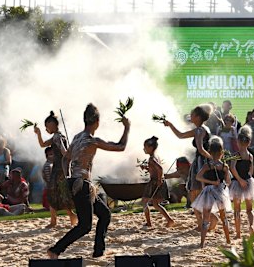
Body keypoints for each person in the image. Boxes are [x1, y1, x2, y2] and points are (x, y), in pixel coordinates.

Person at [47, 103, 130, 260]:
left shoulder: (77, 138)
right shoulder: (92, 141)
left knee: (104, 214)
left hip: (79, 183)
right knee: (84, 226)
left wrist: (68, 178)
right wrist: (127, 127)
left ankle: (99, 252)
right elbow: (120, 147)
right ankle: (55, 250)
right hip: (82, 184)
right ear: (97, 122)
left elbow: (66, 158)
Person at [163, 104, 213, 230]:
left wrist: (211, 158)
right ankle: (204, 222)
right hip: (203, 161)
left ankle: (203, 223)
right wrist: (170, 125)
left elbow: (201, 149)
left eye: (192, 114)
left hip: (201, 162)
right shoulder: (203, 129)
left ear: (197, 116)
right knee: (200, 192)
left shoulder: (199, 130)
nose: (190, 116)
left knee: (195, 192)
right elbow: (180, 135)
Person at [34, 111, 77, 228]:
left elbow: (64, 152)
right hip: (59, 169)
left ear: (52, 124)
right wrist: (38, 133)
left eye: (47, 126)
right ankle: (66, 216)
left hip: (60, 170)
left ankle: (55, 220)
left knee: (54, 194)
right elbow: (43, 144)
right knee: (58, 194)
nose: (46, 129)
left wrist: (69, 156)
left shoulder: (57, 137)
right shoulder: (56, 137)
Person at [192, 137, 231, 248]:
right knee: (223, 217)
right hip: (217, 191)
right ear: (221, 152)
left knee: (206, 218)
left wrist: (211, 182)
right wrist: (216, 182)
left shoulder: (210, 166)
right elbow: (228, 181)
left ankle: (202, 243)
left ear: (209, 152)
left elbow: (198, 177)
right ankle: (228, 239)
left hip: (210, 192)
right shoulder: (224, 166)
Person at [229, 126, 254, 239]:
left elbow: (232, 169)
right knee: (249, 210)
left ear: (238, 141)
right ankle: (251, 226)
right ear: (249, 142)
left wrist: (239, 180)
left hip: (238, 182)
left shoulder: (236, 155)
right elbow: (251, 171)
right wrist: (246, 180)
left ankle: (238, 233)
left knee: (237, 210)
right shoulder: (250, 156)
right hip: (248, 182)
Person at [140, 136, 174, 228]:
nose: (144, 149)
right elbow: (155, 169)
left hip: (155, 182)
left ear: (150, 148)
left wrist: (159, 180)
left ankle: (149, 223)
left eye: (145, 147)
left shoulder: (152, 158)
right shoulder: (155, 157)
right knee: (155, 204)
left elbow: (160, 168)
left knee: (144, 201)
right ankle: (169, 220)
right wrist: (146, 168)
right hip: (156, 181)